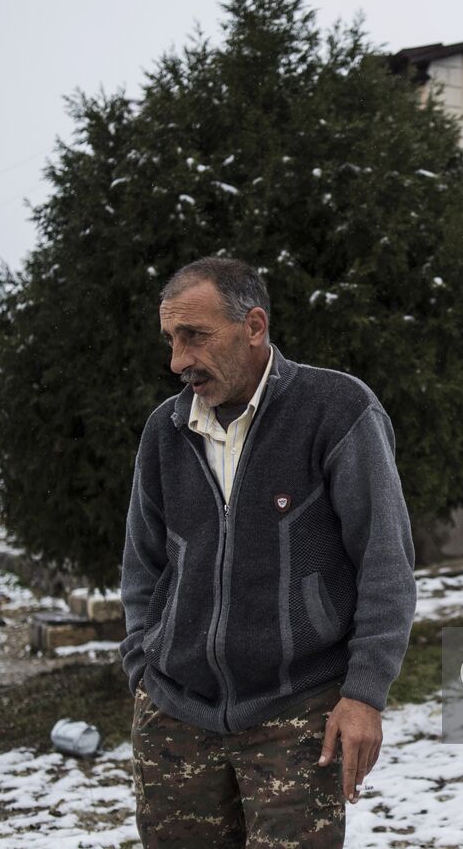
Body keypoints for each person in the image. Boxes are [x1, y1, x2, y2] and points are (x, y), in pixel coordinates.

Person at [118, 256, 418, 847]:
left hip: (298, 714)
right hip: (174, 716)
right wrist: (142, 671)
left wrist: (363, 694)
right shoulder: (165, 431)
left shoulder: (336, 410)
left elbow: (386, 565)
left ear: (254, 327)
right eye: (171, 339)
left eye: (194, 336)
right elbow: (142, 566)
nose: (177, 361)